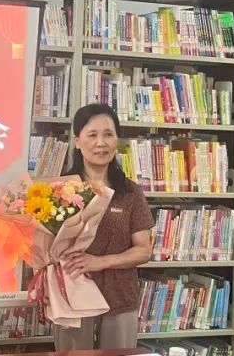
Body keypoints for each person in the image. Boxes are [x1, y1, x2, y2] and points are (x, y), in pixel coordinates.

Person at [56, 103, 154, 350]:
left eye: (108, 134)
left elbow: (144, 250)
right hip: (73, 295)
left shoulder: (130, 192)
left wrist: (101, 262)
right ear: (77, 141)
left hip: (119, 298)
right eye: (92, 135)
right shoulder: (61, 191)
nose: (101, 143)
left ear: (116, 141)